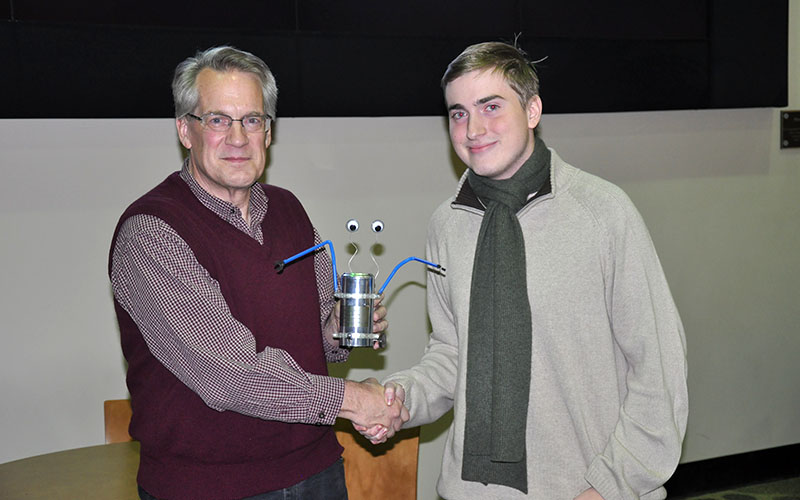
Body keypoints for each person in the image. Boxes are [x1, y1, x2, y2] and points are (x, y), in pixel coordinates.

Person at [364, 41, 689, 499]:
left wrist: (611, 486)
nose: (473, 128)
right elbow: (453, 355)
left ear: (532, 109)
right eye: (458, 113)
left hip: (590, 490)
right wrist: (399, 398)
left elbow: (659, 371)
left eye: (491, 107)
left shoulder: (603, 212)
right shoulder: (447, 224)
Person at [109, 46, 408, 500]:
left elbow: (319, 346)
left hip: (317, 473)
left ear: (268, 133)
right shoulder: (152, 233)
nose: (237, 137)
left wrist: (335, 330)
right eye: (217, 120)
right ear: (185, 130)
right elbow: (232, 376)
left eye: (251, 119)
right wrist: (353, 400)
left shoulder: (289, 211)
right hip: (207, 489)